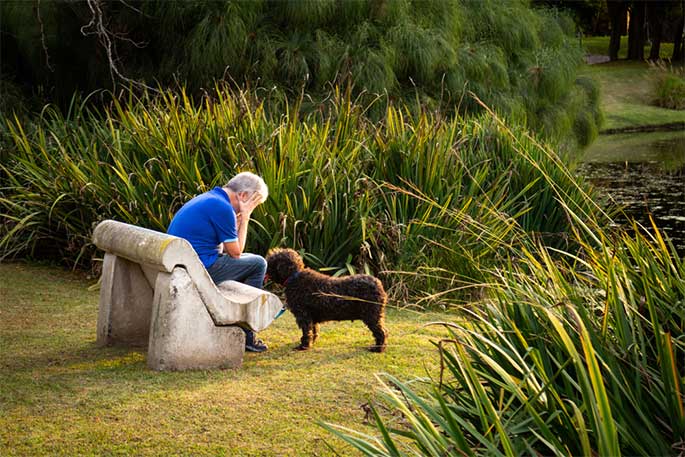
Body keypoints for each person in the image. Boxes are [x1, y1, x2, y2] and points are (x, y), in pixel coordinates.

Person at [167, 171, 269, 352]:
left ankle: (235, 317)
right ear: (243, 195)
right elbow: (236, 253)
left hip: (185, 264)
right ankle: (247, 333)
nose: (249, 210)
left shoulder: (210, 199)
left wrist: (236, 224)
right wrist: (245, 218)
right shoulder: (222, 207)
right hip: (198, 269)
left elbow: (225, 250)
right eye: (253, 204)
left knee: (250, 261)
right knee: (258, 263)